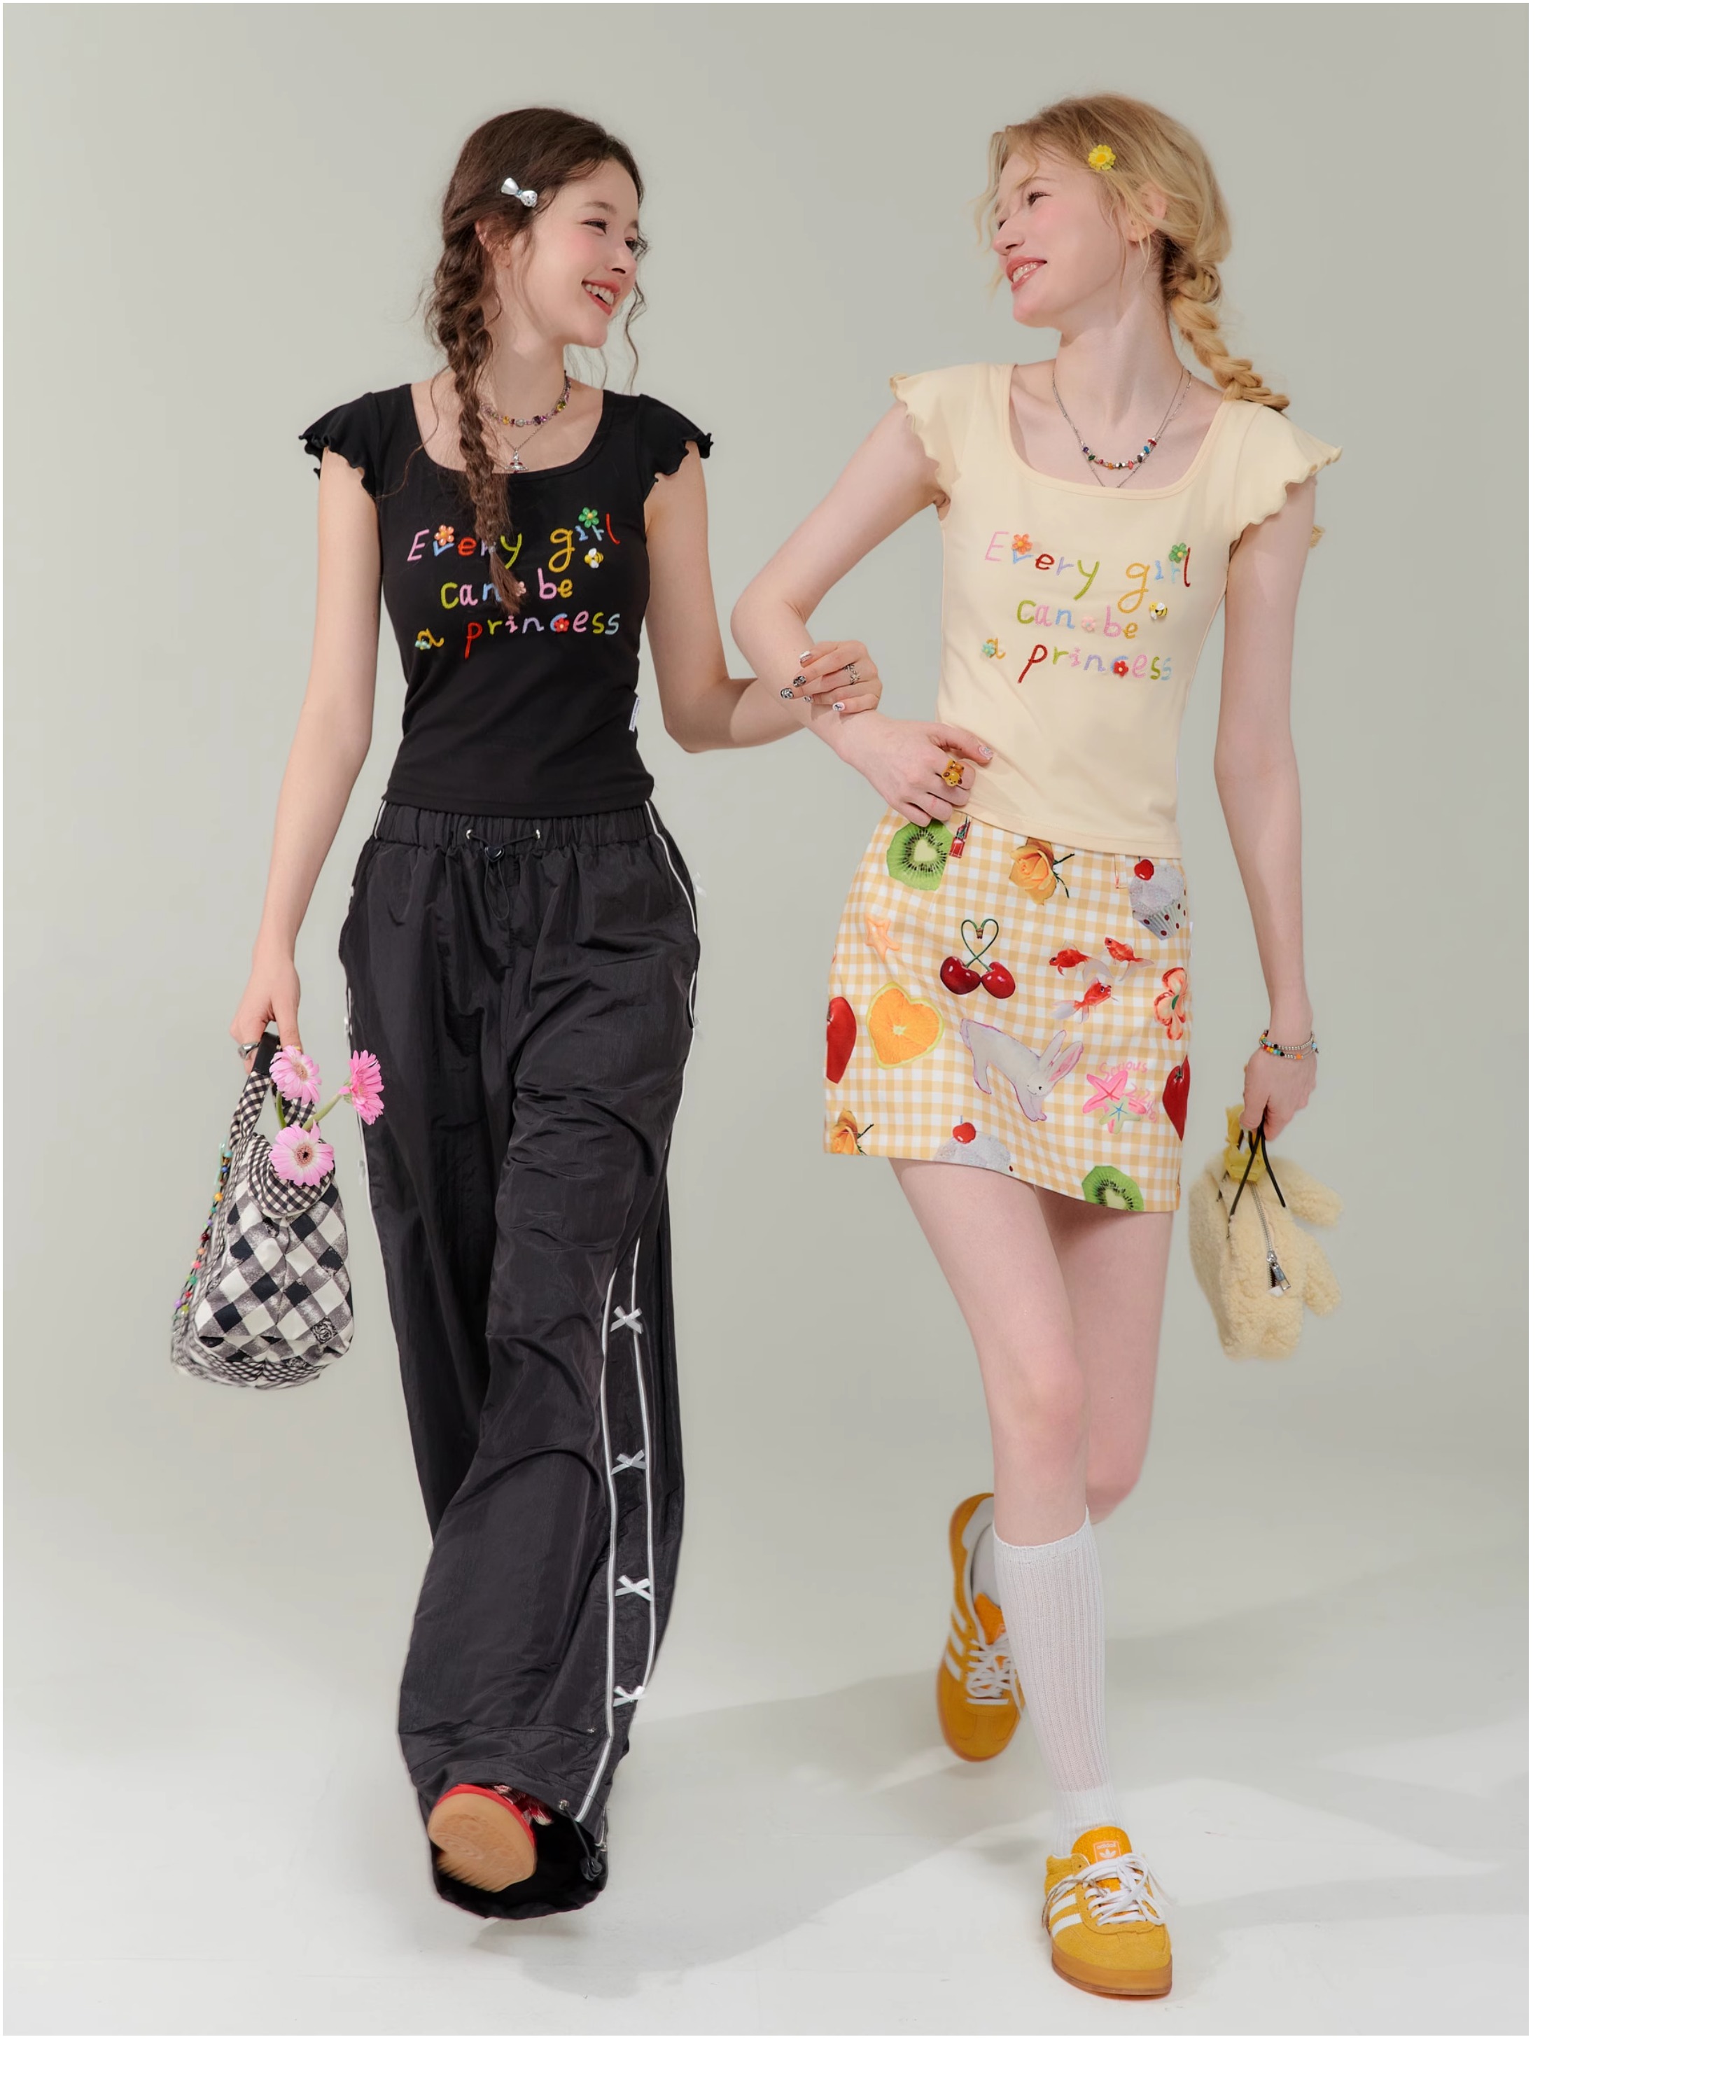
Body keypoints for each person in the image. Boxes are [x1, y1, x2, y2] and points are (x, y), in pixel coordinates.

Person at [227, 106, 901, 1921]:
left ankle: (496, 1763)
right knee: (456, 1309)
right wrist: (275, 935)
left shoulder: (655, 455)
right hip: (417, 912)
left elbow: (696, 705)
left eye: (637, 238)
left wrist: (805, 696)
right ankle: (544, 1687)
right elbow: (334, 718)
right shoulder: (370, 451)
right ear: (500, 230)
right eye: (602, 224)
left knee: (554, 1300)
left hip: (606, 911)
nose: (626, 263)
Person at [733, 92, 1338, 1996]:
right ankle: (1092, 1839)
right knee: (1048, 1396)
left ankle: (995, 1571)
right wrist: (861, 735)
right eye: (990, 205)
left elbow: (1255, 759)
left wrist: (1290, 1010)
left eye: (1030, 197)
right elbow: (768, 602)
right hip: (938, 928)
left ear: (1138, 210)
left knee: (1110, 1451)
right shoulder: (950, 416)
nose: (999, 230)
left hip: (1126, 960)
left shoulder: (1255, 471)